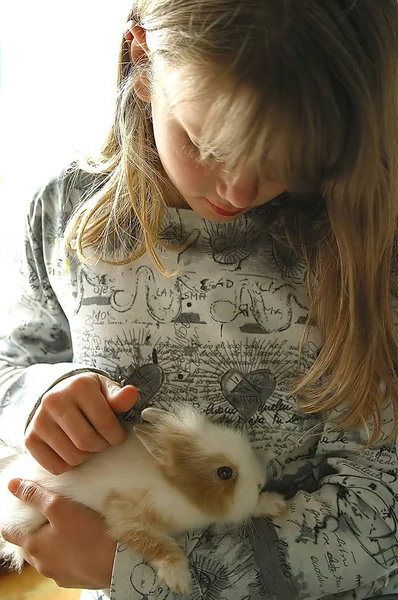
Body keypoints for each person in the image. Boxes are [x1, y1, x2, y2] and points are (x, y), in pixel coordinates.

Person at [1, 1, 398, 598]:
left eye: (284, 161)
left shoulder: (362, 241)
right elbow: (13, 365)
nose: (239, 189)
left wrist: (134, 573)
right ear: (142, 55)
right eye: (205, 144)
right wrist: (39, 399)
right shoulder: (67, 209)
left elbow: (381, 512)